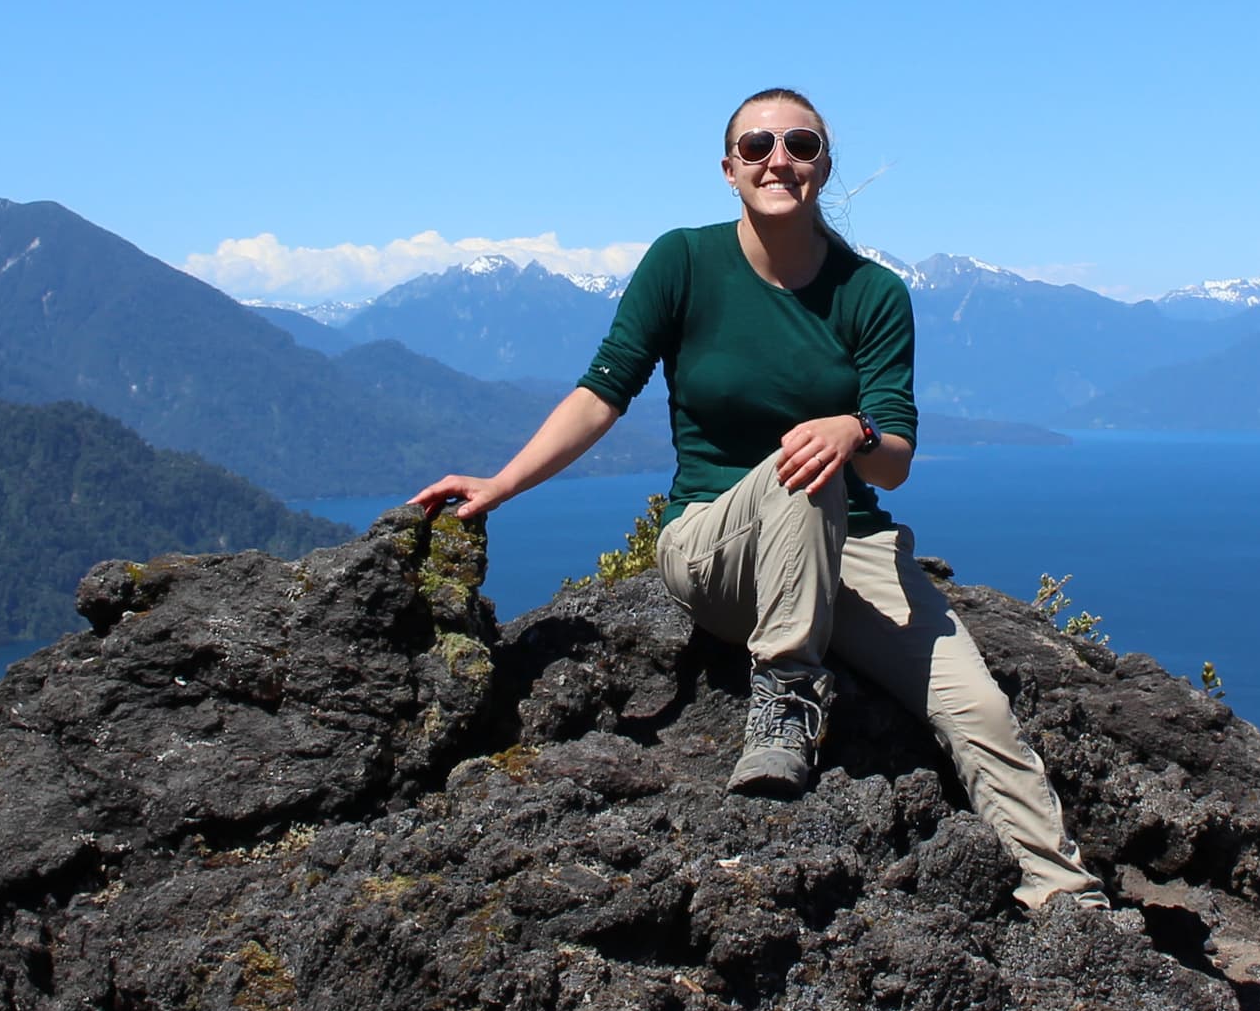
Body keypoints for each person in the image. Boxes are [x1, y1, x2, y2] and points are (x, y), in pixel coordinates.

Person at [410, 87, 1116, 918]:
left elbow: (891, 466)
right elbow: (603, 393)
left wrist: (852, 427)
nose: (778, 159)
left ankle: (1067, 901)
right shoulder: (683, 262)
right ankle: (785, 697)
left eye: (801, 145)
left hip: (848, 549)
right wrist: (502, 484)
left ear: (824, 165)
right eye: (758, 146)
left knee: (979, 710)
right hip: (715, 545)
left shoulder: (873, 295)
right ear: (729, 167)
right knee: (800, 468)